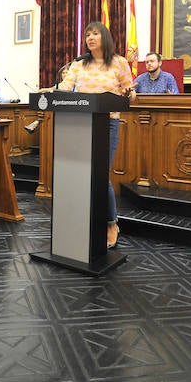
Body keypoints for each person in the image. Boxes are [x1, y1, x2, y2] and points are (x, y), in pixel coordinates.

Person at [57, 21, 135, 249]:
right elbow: (64, 88)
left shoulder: (119, 62)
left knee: (101, 176)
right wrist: (51, 91)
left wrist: (130, 94)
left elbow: (130, 96)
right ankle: (84, 221)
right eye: (87, 34)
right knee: (80, 174)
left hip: (107, 124)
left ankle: (111, 223)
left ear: (105, 37)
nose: (90, 38)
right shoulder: (79, 64)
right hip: (80, 124)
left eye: (95, 34)